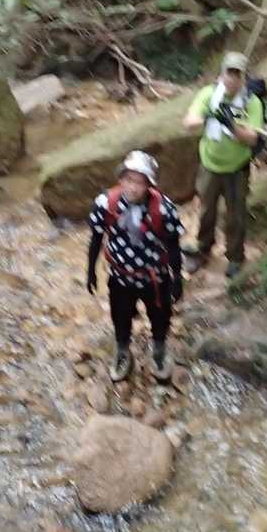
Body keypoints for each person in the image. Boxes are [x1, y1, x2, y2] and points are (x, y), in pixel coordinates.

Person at [85, 150, 184, 383]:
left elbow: (173, 245)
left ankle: (159, 351)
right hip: (120, 277)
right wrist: (90, 271)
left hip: (155, 278)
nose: (133, 187)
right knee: (120, 316)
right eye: (129, 180)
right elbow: (96, 238)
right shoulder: (105, 204)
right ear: (121, 179)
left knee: (160, 317)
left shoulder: (164, 209)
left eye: (139, 182)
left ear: (149, 185)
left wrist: (177, 277)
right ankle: (122, 351)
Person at [181, 51, 264, 280]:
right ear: (221, 74)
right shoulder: (209, 94)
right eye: (229, 73)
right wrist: (209, 116)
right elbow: (188, 122)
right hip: (210, 165)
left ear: (244, 78)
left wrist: (231, 125)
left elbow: (253, 138)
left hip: (237, 168)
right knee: (206, 210)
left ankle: (235, 257)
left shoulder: (252, 103)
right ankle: (203, 248)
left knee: (235, 215)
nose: (232, 79)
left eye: (237, 74)